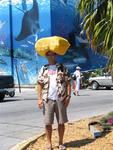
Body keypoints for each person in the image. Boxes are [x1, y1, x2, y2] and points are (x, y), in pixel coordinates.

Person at [37, 50, 71, 149]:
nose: (51, 56)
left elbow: (68, 82)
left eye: (52, 54)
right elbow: (39, 84)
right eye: (48, 54)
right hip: (47, 99)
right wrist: (39, 99)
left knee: (61, 122)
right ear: (46, 56)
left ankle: (60, 142)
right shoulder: (44, 68)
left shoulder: (62, 67)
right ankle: (49, 143)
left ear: (56, 55)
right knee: (48, 123)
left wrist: (68, 97)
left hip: (60, 98)